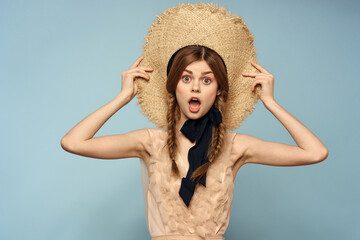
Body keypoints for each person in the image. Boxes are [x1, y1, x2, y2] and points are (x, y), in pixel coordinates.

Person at [61, 3, 328, 240]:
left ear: (219, 89)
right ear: (173, 85)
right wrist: (123, 97)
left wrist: (271, 103)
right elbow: (73, 142)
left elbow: (315, 152)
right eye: (186, 78)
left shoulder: (235, 147)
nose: (195, 88)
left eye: (207, 79)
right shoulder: (149, 142)